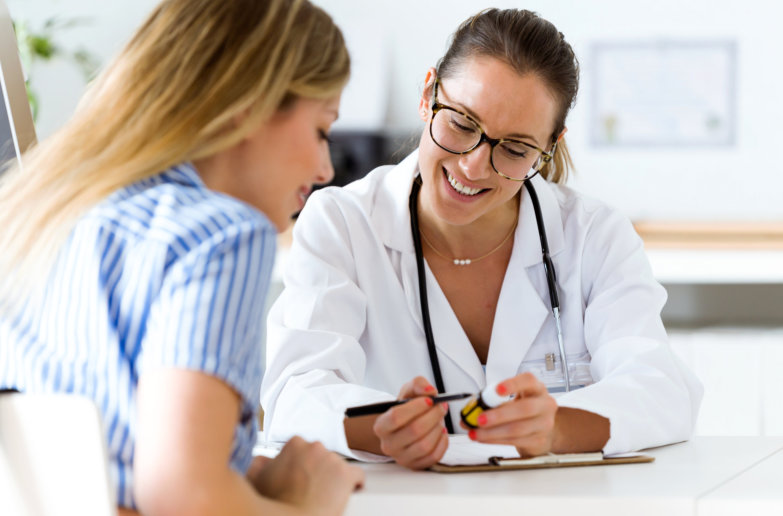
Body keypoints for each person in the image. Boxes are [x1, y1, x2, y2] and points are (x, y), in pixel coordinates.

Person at [261, 8, 703, 469]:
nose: (473, 166)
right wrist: (383, 429)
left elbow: (661, 389)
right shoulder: (343, 225)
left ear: (549, 144)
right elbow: (294, 394)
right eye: (461, 123)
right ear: (429, 93)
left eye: (514, 149)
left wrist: (556, 427)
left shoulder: (594, 235)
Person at [0, 0, 364, 514]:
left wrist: (233, 470)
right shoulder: (222, 236)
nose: (326, 167)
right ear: (250, 103)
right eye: (322, 130)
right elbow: (184, 495)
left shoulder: (39, 213)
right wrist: (308, 504)